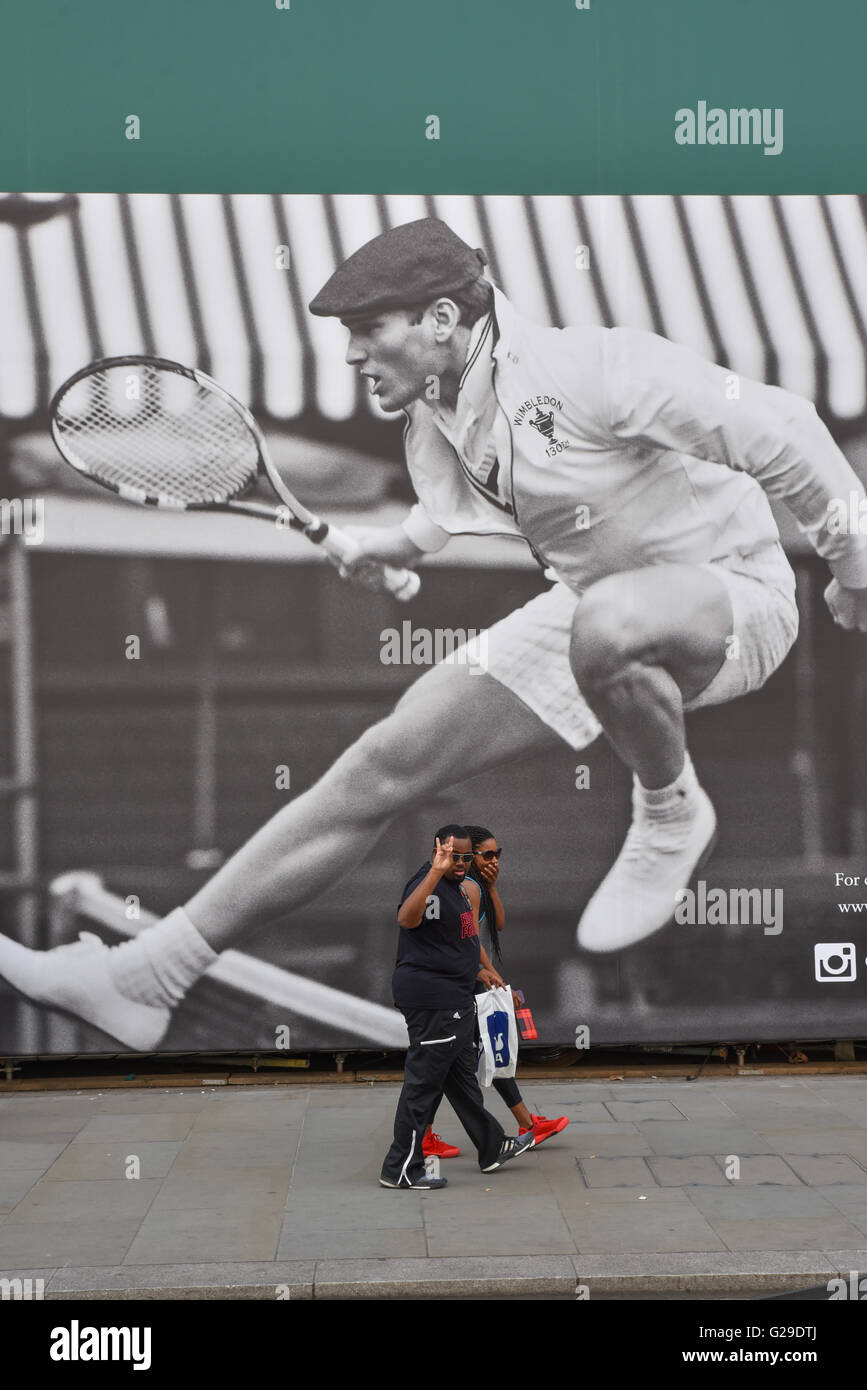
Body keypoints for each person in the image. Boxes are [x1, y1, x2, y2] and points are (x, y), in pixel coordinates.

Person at [3, 215, 867, 1050]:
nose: (349, 354)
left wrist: (851, 569)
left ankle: (670, 811)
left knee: (608, 623)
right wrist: (396, 546)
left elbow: (785, 428)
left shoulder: (597, 367)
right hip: (595, 607)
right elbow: (460, 500)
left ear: (444, 318)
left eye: (368, 329)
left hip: (735, 600)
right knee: (381, 764)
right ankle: (147, 978)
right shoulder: (436, 409)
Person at [380, 825, 534, 1189]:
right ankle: (400, 1167)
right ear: (439, 850)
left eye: (467, 857)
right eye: (455, 856)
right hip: (435, 1001)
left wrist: (482, 971)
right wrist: (436, 869)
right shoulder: (431, 884)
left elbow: (463, 939)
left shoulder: (458, 889)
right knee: (422, 1086)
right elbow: (406, 919)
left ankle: (493, 1147)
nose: (463, 863)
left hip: (456, 998)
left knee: (461, 1078)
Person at [423, 825, 569, 1159]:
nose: (495, 859)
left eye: (498, 853)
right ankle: (524, 1124)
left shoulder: (477, 887)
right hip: (465, 982)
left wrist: (493, 886)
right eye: (487, 854)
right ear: (468, 857)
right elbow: (469, 942)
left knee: (457, 1059)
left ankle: (428, 1135)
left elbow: (498, 925)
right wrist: (493, 978)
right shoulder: (467, 888)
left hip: (469, 980)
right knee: (461, 1057)